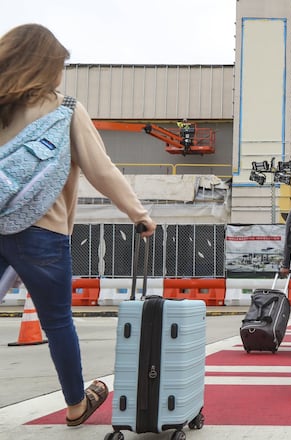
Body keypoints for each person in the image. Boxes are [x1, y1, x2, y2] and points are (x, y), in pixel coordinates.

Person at [0, 24, 157, 427]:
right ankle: (74, 404)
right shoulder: (64, 109)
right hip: (42, 232)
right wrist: (138, 213)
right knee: (57, 321)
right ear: (46, 66)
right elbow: (101, 171)